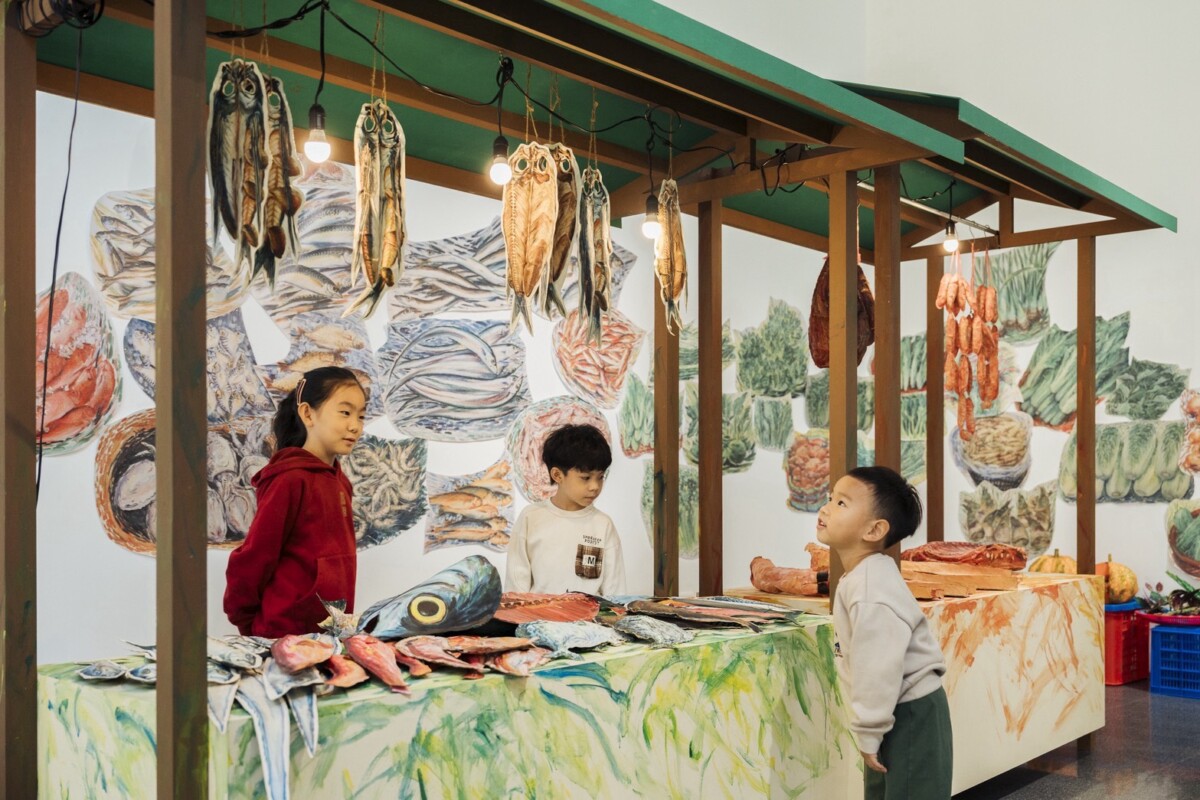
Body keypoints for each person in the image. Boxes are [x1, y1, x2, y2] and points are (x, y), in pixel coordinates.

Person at [817, 466, 952, 800]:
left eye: (841, 503)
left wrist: (868, 730)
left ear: (875, 529)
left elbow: (877, 668)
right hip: (893, 710)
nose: (826, 508)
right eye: (831, 498)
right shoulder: (863, 576)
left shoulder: (870, 588)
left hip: (910, 713)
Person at [224, 366, 366, 638]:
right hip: (282, 634)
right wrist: (248, 623)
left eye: (361, 415)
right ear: (307, 414)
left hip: (328, 634)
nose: (355, 426)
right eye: (345, 412)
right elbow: (255, 557)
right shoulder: (290, 479)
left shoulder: (341, 482)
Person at [505, 424, 626, 595]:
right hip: (539, 612)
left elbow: (615, 590)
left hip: (591, 613)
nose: (595, 486)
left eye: (600, 477)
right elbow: (516, 585)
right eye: (585, 478)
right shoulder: (531, 518)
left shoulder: (603, 524)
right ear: (557, 475)